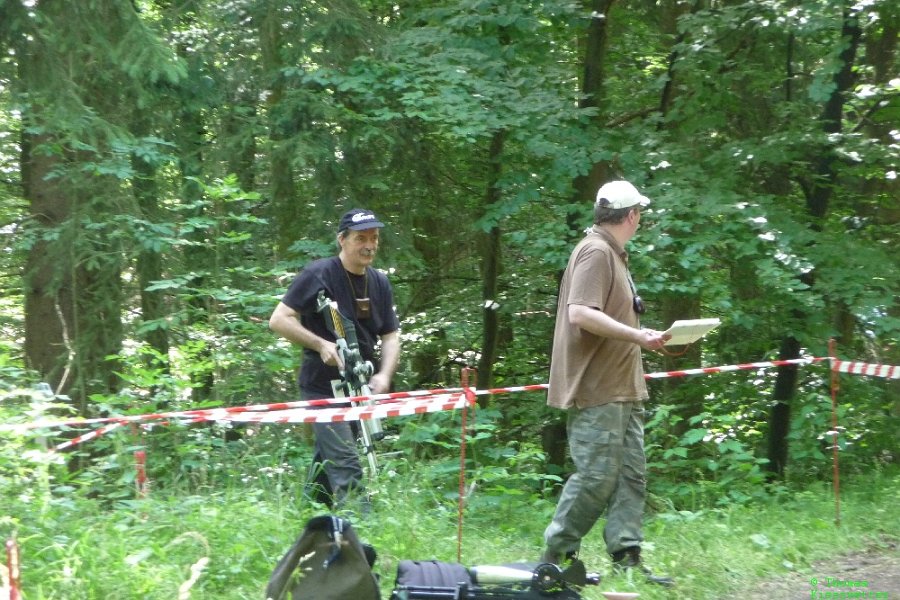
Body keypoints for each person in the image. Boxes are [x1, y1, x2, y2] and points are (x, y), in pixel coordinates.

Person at [541, 180, 673, 586]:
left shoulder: (614, 254)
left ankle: (626, 558)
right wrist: (637, 336)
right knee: (596, 476)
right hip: (597, 387)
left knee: (631, 475)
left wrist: (644, 336)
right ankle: (555, 559)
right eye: (640, 214)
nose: (640, 220)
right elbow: (580, 313)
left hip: (624, 386)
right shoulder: (596, 251)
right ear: (631, 215)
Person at [269, 208, 400, 510]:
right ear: (342, 240)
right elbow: (279, 319)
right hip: (322, 388)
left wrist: (383, 375)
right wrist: (321, 345)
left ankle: (309, 512)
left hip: (358, 386)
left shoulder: (379, 282)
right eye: (361, 238)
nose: (369, 245)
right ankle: (364, 526)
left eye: (374, 238)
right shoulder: (319, 273)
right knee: (346, 460)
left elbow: (391, 336)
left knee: (330, 459)